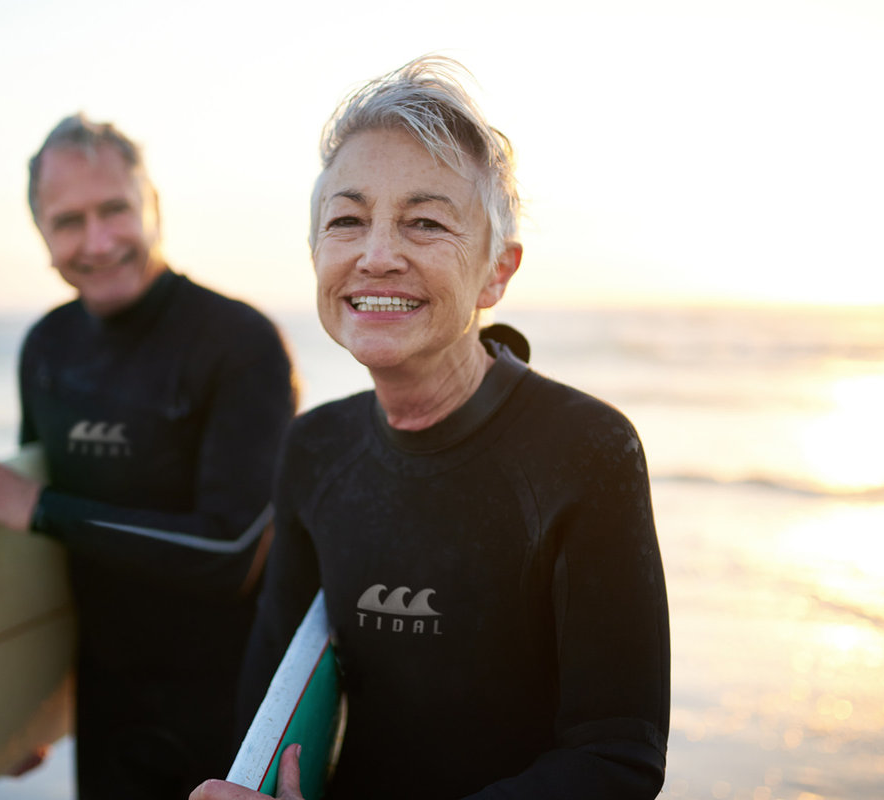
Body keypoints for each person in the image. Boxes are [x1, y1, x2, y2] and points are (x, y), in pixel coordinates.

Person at [191, 57, 670, 800]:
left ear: (496, 272)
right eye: (347, 221)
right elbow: (272, 699)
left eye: (425, 222)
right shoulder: (314, 448)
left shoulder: (586, 451)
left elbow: (617, 757)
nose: (377, 255)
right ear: (317, 255)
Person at [0, 114, 297, 800]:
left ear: (153, 207)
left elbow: (232, 554)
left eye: (115, 210)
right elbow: (44, 561)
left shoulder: (239, 344)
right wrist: (17, 711)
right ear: (41, 234)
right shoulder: (48, 350)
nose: (97, 242)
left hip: (230, 719)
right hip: (107, 717)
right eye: (68, 222)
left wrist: (39, 507)